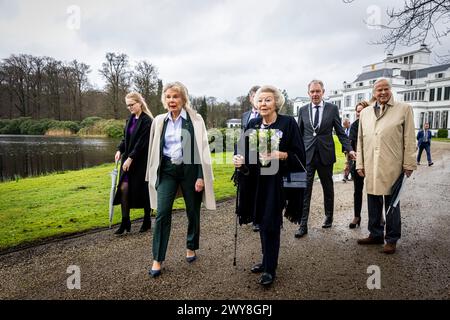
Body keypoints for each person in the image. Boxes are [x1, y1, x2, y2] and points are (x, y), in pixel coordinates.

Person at [234, 85, 306, 286]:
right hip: (256, 182)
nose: (263, 103)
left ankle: (269, 269)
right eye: (260, 100)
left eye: (267, 100)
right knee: (262, 221)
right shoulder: (254, 124)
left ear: (276, 102)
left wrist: (280, 154)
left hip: (277, 182)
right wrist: (239, 161)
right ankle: (266, 260)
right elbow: (243, 151)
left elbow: (299, 155)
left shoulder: (288, 123)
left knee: (270, 223)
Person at [146, 81, 216, 277]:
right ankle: (157, 258)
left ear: (183, 99)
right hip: (167, 170)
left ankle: (191, 246)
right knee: (162, 213)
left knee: (192, 211)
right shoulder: (160, 120)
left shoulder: (195, 119)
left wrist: (201, 176)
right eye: (168, 97)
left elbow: (202, 150)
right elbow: (154, 150)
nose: (171, 100)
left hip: (190, 171)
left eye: (175, 97)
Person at [356, 78, 416, 254]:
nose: (382, 93)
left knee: (392, 204)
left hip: (393, 165)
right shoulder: (365, 113)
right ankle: (375, 234)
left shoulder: (404, 109)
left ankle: (391, 239)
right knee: (373, 200)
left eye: (385, 89)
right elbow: (360, 140)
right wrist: (360, 163)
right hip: (371, 163)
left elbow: (410, 138)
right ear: (373, 93)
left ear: (391, 90)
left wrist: (409, 163)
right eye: (378, 90)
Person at [295, 80, 355, 238]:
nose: (315, 94)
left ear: (323, 92)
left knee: (328, 188)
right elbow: (299, 135)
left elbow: (341, 132)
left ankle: (329, 216)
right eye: (312, 92)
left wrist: (349, 149)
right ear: (308, 93)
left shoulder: (332, 109)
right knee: (305, 190)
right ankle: (303, 224)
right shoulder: (302, 110)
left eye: (318, 91)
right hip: (307, 157)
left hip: (325, 156)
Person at [113, 92, 153, 234]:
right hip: (127, 161)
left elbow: (142, 143)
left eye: (132, 105)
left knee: (143, 191)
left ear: (139, 103)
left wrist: (131, 158)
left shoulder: (147, 121)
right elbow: (126, 138)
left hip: (141, 162)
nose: (129, 107)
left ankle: (147, 220)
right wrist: (119, 150)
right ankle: (125, 222)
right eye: (128, 105)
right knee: (123, 188)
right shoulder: (130, 119)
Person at [240, 85, 261, 232]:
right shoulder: (245, 116)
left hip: (262, 156)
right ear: (250, 98)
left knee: (260, 187)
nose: (256, 99)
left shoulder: (267, 114)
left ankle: (258, 219)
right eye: (254, 96)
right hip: (247, 157)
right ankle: (251, 215)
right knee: (248, 187)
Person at [346, 101, 369, 228]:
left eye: (361, 110)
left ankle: (379, 217)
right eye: (357, 111)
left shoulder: (372, 124)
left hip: (371, 161)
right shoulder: (354, 126)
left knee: (374, 191)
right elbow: (351, 144)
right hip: (358, 162)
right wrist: (349, 162)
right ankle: (357, 216)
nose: (358, 113)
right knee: (357, 190)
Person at [342, 118, 351, 182]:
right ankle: (346, 176)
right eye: (344, 125)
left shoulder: (351, 129)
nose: (344, 126)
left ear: (349, 123)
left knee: (348, 163)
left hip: (351, 149)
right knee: (348, 162)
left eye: (345, 124)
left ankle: (346, 176)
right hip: (346, 150)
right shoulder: (346, 130)